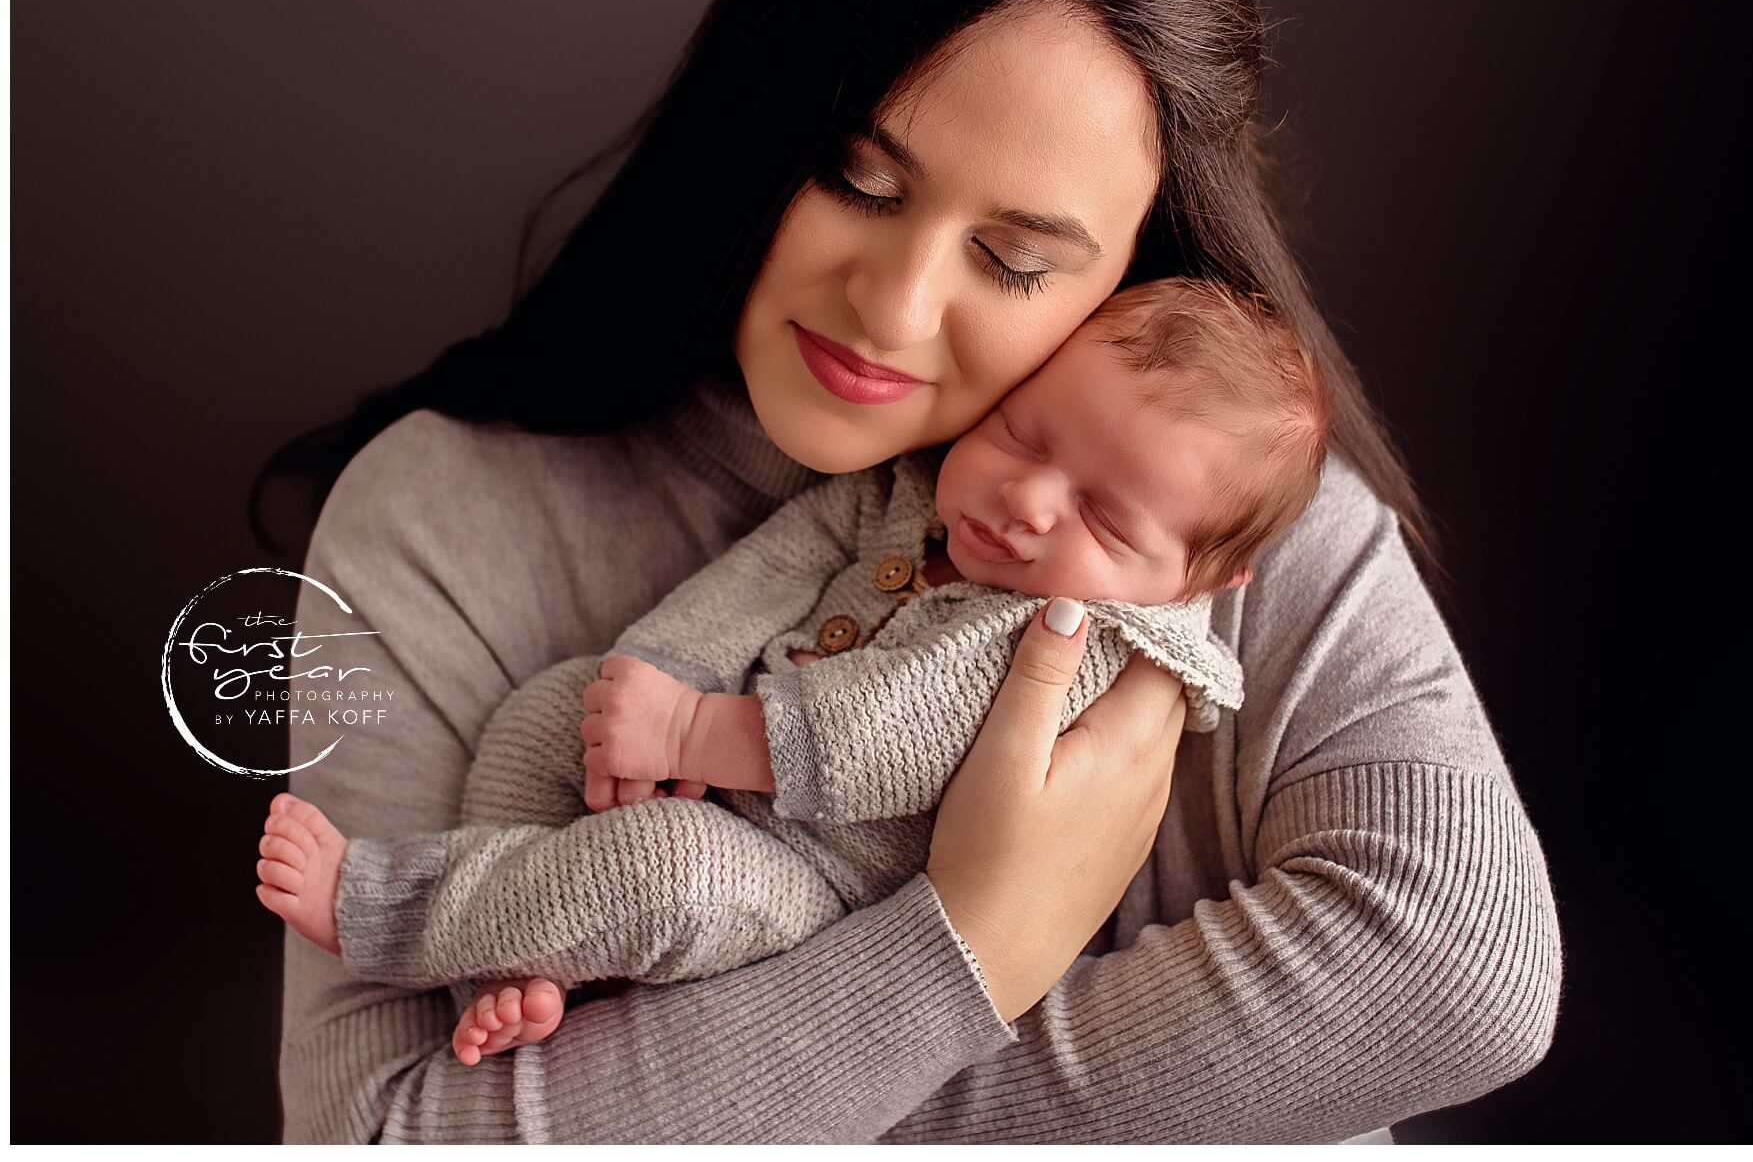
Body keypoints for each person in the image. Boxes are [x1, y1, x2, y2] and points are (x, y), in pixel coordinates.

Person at [254, 0, 1562, 1144]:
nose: (893, 307)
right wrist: (980, 941)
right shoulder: (443, 515)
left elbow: (1458, 969)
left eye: (1012, 259)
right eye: (857, 179)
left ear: (1130, 273)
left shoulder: (1209, 501)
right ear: (757, 118)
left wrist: (841, 1055)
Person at [254, 276, 1327, 1068]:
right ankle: (522, 952)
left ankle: (389, 907)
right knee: (556, 711)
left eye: (1099, 513)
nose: (1028, 499)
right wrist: (654, 675)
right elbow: (760, 576)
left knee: (662, 871)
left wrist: (688, 736)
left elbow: (898, 735)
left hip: (822, 889)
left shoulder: (1080, 634)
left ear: (1200, 570)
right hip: (713, 753)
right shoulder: (904, 497)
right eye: (1022, 431)